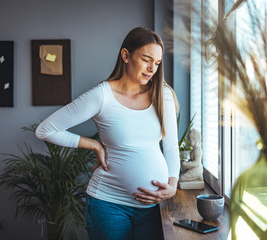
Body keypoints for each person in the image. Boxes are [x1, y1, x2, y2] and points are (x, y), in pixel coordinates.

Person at [35, 27, 180, 240]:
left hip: (153, 209)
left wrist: (173, 186)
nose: (152, 69)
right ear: (126, 55)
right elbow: (45, 129)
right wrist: (93, 144)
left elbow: (170, 147)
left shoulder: (163, 94)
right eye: (146, 59)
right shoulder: (102, 96)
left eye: (157, 63)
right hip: (109, 206)